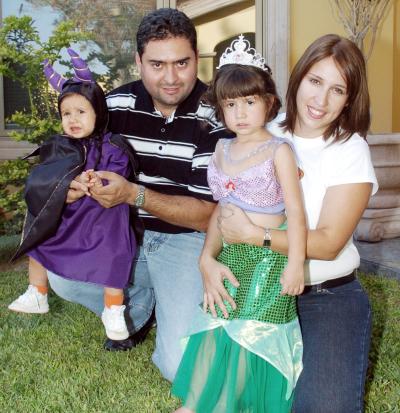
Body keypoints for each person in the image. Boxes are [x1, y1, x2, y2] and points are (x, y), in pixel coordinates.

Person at [43, 8, 230, 381]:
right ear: (138, 61)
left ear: (197, 58)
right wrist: (73, 185)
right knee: (60, 276)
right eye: (157, 65)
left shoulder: (219, 113)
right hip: (122, 236)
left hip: (187, 243)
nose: (172, 78)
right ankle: (140, 306)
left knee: (180, 368)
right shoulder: (112, 107)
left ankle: (161, 299)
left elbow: (210, 215)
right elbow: (71, 158)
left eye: (182, 63)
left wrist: (134, 195)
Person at [209, 34, 378, 413]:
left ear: (349, 99)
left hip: (326, 294)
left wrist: (256, 235)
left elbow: (331, 242)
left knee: (323, 406)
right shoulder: (262, 129)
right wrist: (207, 259)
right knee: (228, 392)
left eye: (338, 89)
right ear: (298, 78)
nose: (321, 100)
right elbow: (225, 203)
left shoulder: (351, 150)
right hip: (257, 282)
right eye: (315, 82)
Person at [171, 35, 307, 413]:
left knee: (252, 333)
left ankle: (229, 404)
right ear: (220, 108)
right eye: (231, 104)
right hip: (231, 256)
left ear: (269, 102)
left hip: (267, 261)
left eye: (250, 102)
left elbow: (296, 213)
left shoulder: (278, 151)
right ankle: (196, 402)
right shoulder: (221, 150)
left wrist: (296, 262)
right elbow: (220, 211)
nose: (241, 113)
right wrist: (208, 258)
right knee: (216, 324)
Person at [8, 49, 138, 341]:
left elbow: (119, 176)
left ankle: (113, 308)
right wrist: (65, 186)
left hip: (102, 215)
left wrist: (95, 180)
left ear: (98, 113)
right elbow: (45, 177)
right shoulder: (59, 145)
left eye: (81, 111)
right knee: (41, 224)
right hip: (70, 213)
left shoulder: (113, 145)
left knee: (114, 247)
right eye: (67, 113)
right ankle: (37, 290)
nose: (73, 119)